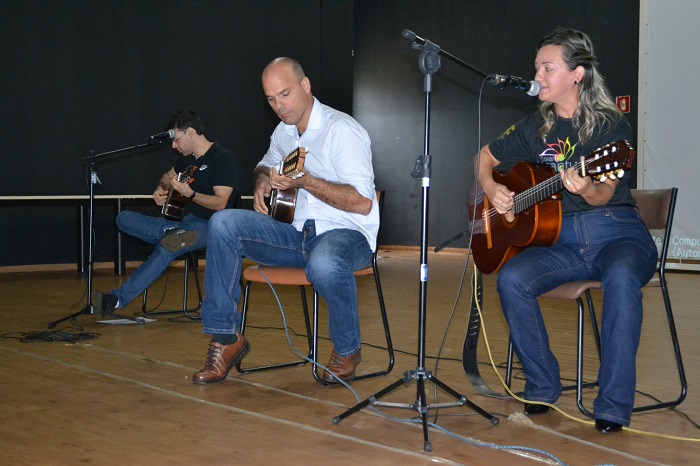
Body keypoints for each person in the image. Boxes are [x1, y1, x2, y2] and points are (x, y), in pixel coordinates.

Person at [476, 28, 657, 433]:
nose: (537, 74)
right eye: (537, 66)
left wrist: (587, 185)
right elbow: (484, 158)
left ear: (577, 74)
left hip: (618, 234)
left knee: (622, 278)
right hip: (563, 242)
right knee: (512, 278)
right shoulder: (534, 127)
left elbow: (602, 195)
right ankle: (542, 386)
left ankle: (612, 406)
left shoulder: (610, 125)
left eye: (547, 67)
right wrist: (493, 187)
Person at [191, 57, 379, 386]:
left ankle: (347, 349)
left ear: (306, 87)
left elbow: (362, 203)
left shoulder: (342, 130)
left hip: (346, 235)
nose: (279, 106)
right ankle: (226, 337)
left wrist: (306, 182)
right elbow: (265, 164)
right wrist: (261, 181)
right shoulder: (284, 131)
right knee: (223, 223)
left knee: (324, 262)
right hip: (295, 235)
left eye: (285, 94)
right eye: (271, 99)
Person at [94, 110, 240, 314]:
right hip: (176, 223)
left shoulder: (222, 158)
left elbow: (221, 204)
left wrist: (191, 194)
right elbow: (166, 175)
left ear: (190, 133)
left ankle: (116, 299)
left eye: (175, 139)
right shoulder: (187, 160)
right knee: (123, 218)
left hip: (208, 226)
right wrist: (161, 188)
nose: (173, 146)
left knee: (167, 246)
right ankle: (171, 234)